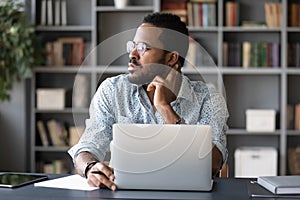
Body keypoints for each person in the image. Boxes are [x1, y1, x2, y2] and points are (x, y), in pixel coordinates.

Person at [68, 12, 229, 191]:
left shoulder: (208, 98)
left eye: (143, 47)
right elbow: (87, 146)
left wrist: (165, 109)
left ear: (171, 58)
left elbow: (211, 164)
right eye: (133, 46)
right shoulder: (113, 90)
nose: (132, 54)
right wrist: (91, 167)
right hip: (123, 193)